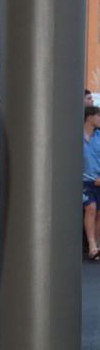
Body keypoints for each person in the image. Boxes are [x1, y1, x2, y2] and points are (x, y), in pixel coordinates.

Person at [83, 105, 100, 260]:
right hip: (84, 182)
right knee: (91, 208)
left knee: (98, 213)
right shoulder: (76, 137)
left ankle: (96, 248)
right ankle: (92, 245)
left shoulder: (99, 136)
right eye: (98, 115)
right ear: (89, 117)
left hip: (99, 180)